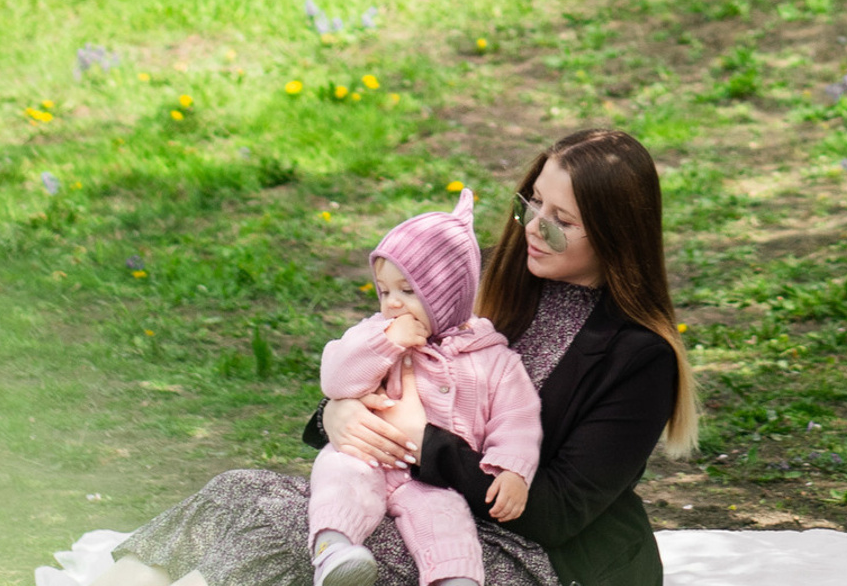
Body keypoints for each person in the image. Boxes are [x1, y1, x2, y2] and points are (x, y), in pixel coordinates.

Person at [94, 126, 697, 586]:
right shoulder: (490, 275)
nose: (534, 228)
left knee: (281, 537)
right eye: (531, 203)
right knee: (238, 493)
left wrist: (420, 439)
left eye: (561, 221)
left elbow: (557, 514)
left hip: (540, 557)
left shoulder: (638, 357)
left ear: (617, 235)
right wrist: (339, 414)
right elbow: (386, 360)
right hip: (412, 499)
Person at [309, 189, 540, 586]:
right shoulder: (375, 336)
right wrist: (387, 342)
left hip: (432, 478)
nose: (392, 304)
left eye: (408, 291)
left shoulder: (493, 360)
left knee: (448, 518)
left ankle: (454, 579)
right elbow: (336, 378)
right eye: (384, 291)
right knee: (338, 472)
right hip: (369, 458)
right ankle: (335, 550)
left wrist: (513, 470)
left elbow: (517, 419)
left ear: (447, 296)